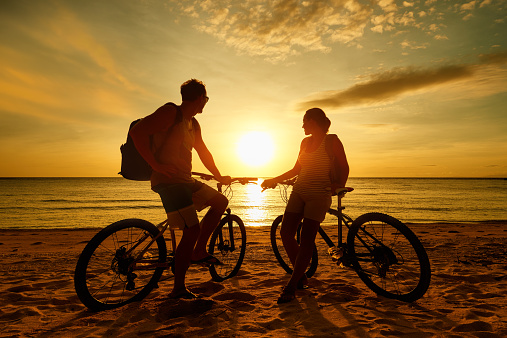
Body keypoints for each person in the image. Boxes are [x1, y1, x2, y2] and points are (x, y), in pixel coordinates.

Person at [129, 79, 231, 299]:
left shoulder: (193, 123)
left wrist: (218, 175)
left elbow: (203, 151)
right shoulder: (170, 112)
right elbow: (137, 132)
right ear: (200, 98)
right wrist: (155, 165)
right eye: (206, 98)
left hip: (185, 180)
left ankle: (198, 250)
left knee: (220, 202)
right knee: (191, 230)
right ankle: (178, 288)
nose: (206, 103)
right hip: (168, 181)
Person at [261, 108, 349, 304]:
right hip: (299, 191)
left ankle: (293, 284)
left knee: (308, 239)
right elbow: (296, 169)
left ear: (314, 121)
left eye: (304, 121)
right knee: (285, 233)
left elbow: (344, 166)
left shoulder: (332, 140)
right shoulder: (304, 142)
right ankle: (300, 275)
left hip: (320, 194)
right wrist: (273, 179)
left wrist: (338, 187)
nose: (302, 125)